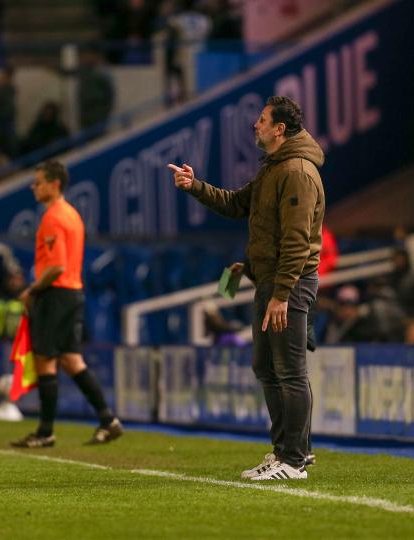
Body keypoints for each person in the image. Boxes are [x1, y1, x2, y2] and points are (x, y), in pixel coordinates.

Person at [169, 95, 323, 481]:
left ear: (278, 130)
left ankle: (294, 459)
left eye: (261, 120)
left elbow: (297, 240)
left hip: (289, 283)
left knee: (288, 370)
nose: (255, 125)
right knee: (268, 367)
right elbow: (239, 204)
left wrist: (282, 294)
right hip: (270, 279)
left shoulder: (297, 172)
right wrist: (195, 186)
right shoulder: (274, 168)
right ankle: (286, 451)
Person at [12, 160, 123, 448]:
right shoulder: (72, 214)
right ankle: (108, 420)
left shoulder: (54, 217)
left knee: (45, 360)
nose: (33, 187)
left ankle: (45, 431)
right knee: (71, 360)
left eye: (38, 182)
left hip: (56, 295)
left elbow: (57, 266)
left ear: (54, 184)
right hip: (73, 294)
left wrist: (32, 290)